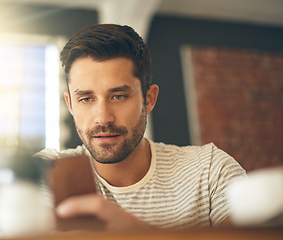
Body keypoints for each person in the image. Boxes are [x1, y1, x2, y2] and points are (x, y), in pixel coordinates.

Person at [35, 24, 246, 231]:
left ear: (149, 99)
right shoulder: (43, 176)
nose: (103, 118)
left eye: (118, 96)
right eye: (86, 99)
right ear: (70, 104)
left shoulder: (210, 171)